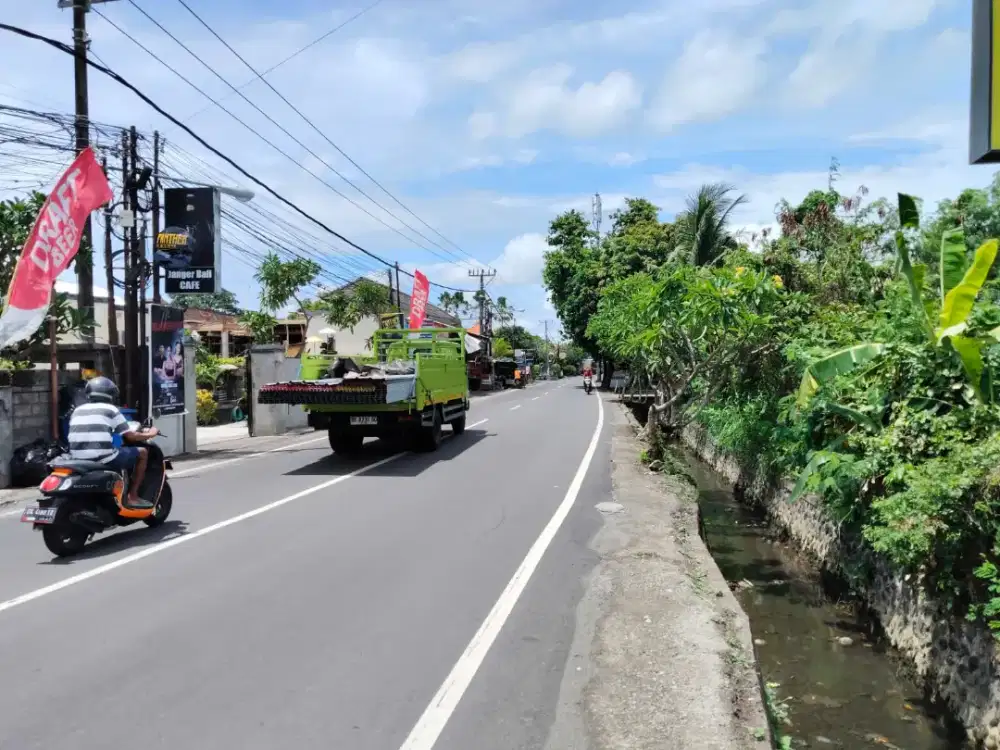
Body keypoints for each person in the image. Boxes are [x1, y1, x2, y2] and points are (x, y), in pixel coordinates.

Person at [67, 376, 159, 509]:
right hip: (102, 458)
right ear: (110, 395)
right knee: (142, 453)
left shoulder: (78, 410)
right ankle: (132, 496)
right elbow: (131, 436)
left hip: (77, 458)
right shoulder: (111, 410)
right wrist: (151, 433)